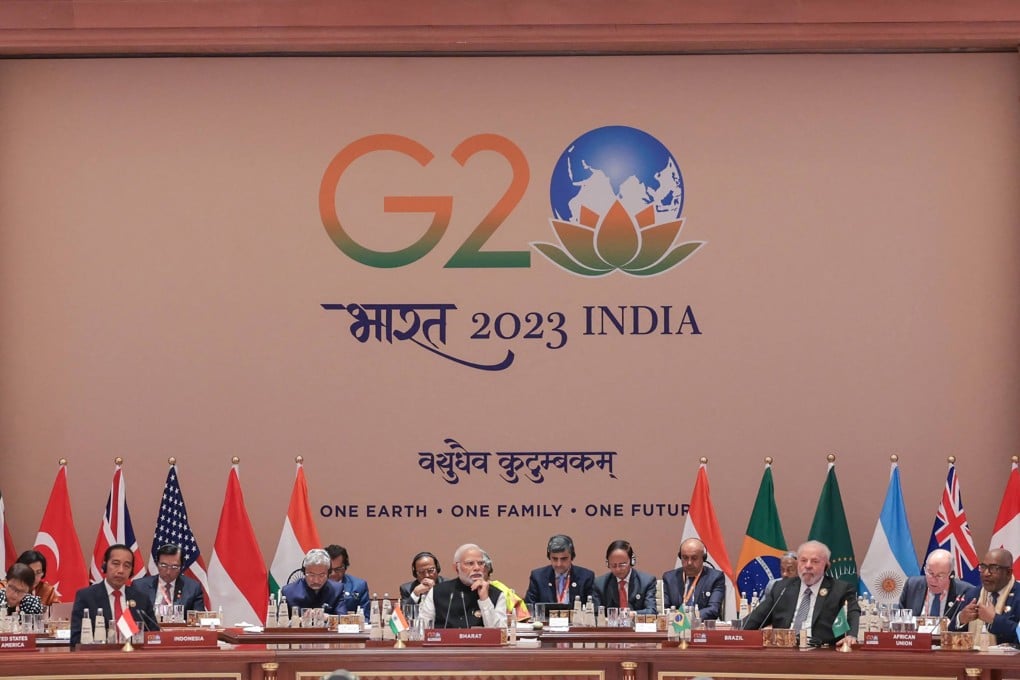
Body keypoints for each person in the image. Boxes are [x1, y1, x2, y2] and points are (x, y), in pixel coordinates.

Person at [742, 540, 859, 646]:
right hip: (783, 652)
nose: (808, 566)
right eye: (803, 560)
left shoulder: (840, 589)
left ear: (826, 565)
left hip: (821, 652)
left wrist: (851, 635)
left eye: (815, 561)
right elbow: (755, 619)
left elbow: (853, 613)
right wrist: (735, 633)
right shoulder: (782, 588)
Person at [69, 543, 158, 646]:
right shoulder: (86, 596)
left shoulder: (141, 598)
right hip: (100, 658)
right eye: (115, 564)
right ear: (105, 565)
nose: (121, 570)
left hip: (133, 657)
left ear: (131, 571)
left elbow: (154, 635)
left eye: (126, 566)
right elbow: (76, 638)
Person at [418, 543, 506, 628]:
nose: (477, 568)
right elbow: (422, 630)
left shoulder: (496, 595)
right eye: (470, 563)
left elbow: (500, 634)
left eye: (480, 563)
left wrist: (485, 599)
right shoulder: (437, 592)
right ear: (456, 567)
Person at [957, 548, 1020, 644]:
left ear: (1008, 573)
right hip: (971, 658)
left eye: (994, 568)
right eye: (983, 567)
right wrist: (961, 619)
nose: (986, 573)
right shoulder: (973, 594)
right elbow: (950, 635)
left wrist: (994, 620)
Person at [898, 548, 976, 618]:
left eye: (940, 575)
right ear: (925, 569)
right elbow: (900, 620)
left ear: (951, 575)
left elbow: (966, 627)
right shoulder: (912, 585)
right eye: (930, 573)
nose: (933, 580)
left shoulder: (966, 592)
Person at [661, 537, 725, 619]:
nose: (689, 563)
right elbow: (664, 609)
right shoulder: (670, 578)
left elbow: (713, 609)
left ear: (703, 558)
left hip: (701, 626)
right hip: (675, 627)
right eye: (685, 557)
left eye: (694, 558)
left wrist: (687, 618)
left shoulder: (715, 577)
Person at [132, 543, 206, 614]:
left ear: (181, 567)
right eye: (163, 565)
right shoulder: (140, 587)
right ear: (157, 564)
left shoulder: (193, 588)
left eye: (174, 567)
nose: (168, 572)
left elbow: (198, 620)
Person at [524, 534, 595, 606]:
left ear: (572, 557)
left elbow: (592, 608)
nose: (559, 564)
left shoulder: (586, 577)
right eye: (554, 559)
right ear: (549, 557)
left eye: (564, 559)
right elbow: (529, 607)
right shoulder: (538, 577)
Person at [592, 540, 657, 614]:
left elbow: (652, 611)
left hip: (637, 624)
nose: (618, 569)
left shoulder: (646, 582)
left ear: (632, 561)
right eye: (613, 565)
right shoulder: (599, 584)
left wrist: (632, 614)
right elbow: (596, 614)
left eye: (622, 565)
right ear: (607, 564)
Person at [281, 548, 346, 616]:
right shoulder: (288, 592)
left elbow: (342, 618)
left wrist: (327, 617)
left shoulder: (337, 590)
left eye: (321, 575)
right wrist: (298, 621)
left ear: (328, 573)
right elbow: (279, 623)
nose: (316, 580)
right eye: (311, 575)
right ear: (304, 572)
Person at [325, 544, 370, 621]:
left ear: (345, 567)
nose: (333, 574)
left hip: (350, 630)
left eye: (338, 569)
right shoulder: (316, 586)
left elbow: (365, 619)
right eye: (329, 570)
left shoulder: (359, 586)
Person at [482, 551, 529, 621]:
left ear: (489, 574)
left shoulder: (501, 591)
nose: (476, 569)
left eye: (480, 565)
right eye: (470, 564)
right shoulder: (460, 592)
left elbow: (522, 619)